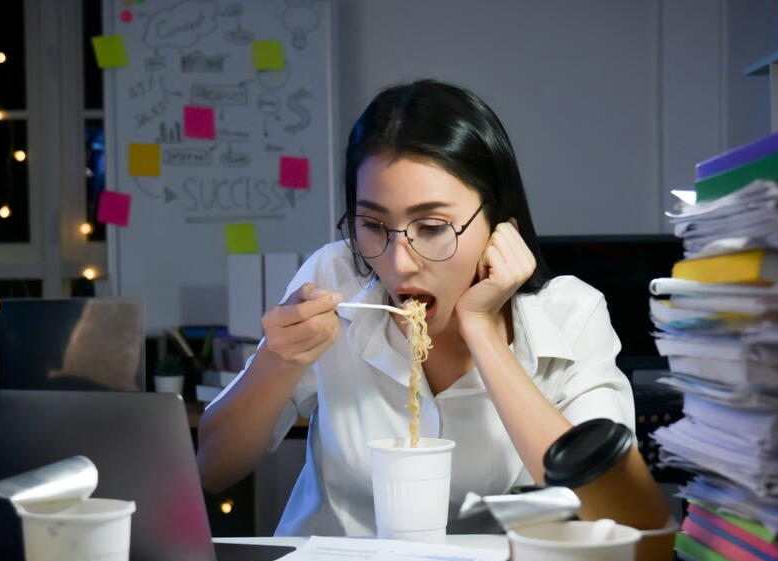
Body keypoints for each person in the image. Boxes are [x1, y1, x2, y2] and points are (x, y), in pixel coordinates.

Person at [198, 79, 668, 536]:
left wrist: (483, 332)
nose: (400, 264)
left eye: (433, 226)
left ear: (499, 223)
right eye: (373, 224)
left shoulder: (572, 313)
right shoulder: (334, 280)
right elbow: (211, 472)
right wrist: (276, 361)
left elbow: (614, 512)